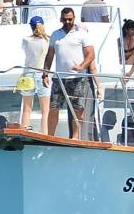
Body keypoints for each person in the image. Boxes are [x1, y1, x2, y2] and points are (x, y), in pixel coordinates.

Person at [45, 7, 97, 140]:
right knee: (53, 108)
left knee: (77, 109)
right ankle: (50, 136)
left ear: (74, 18)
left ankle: (75, 137)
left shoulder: (82, 34)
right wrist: (45, 74)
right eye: (65, 19)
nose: (67, 21)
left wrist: (81, 67)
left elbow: (91, 54)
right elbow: (50, 55)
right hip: (59, 79)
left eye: (70, 19)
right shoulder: (55, 34)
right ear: (61, 19)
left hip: (78, 78)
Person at [18, 15, 52, 129]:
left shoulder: (26, 40)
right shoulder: (47, 41)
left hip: (27, 74)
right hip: (42, 75)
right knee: (45, 111)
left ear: (31, 27)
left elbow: (25, 50)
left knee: (27, 110)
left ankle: (24, 131)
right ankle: (45, 134)